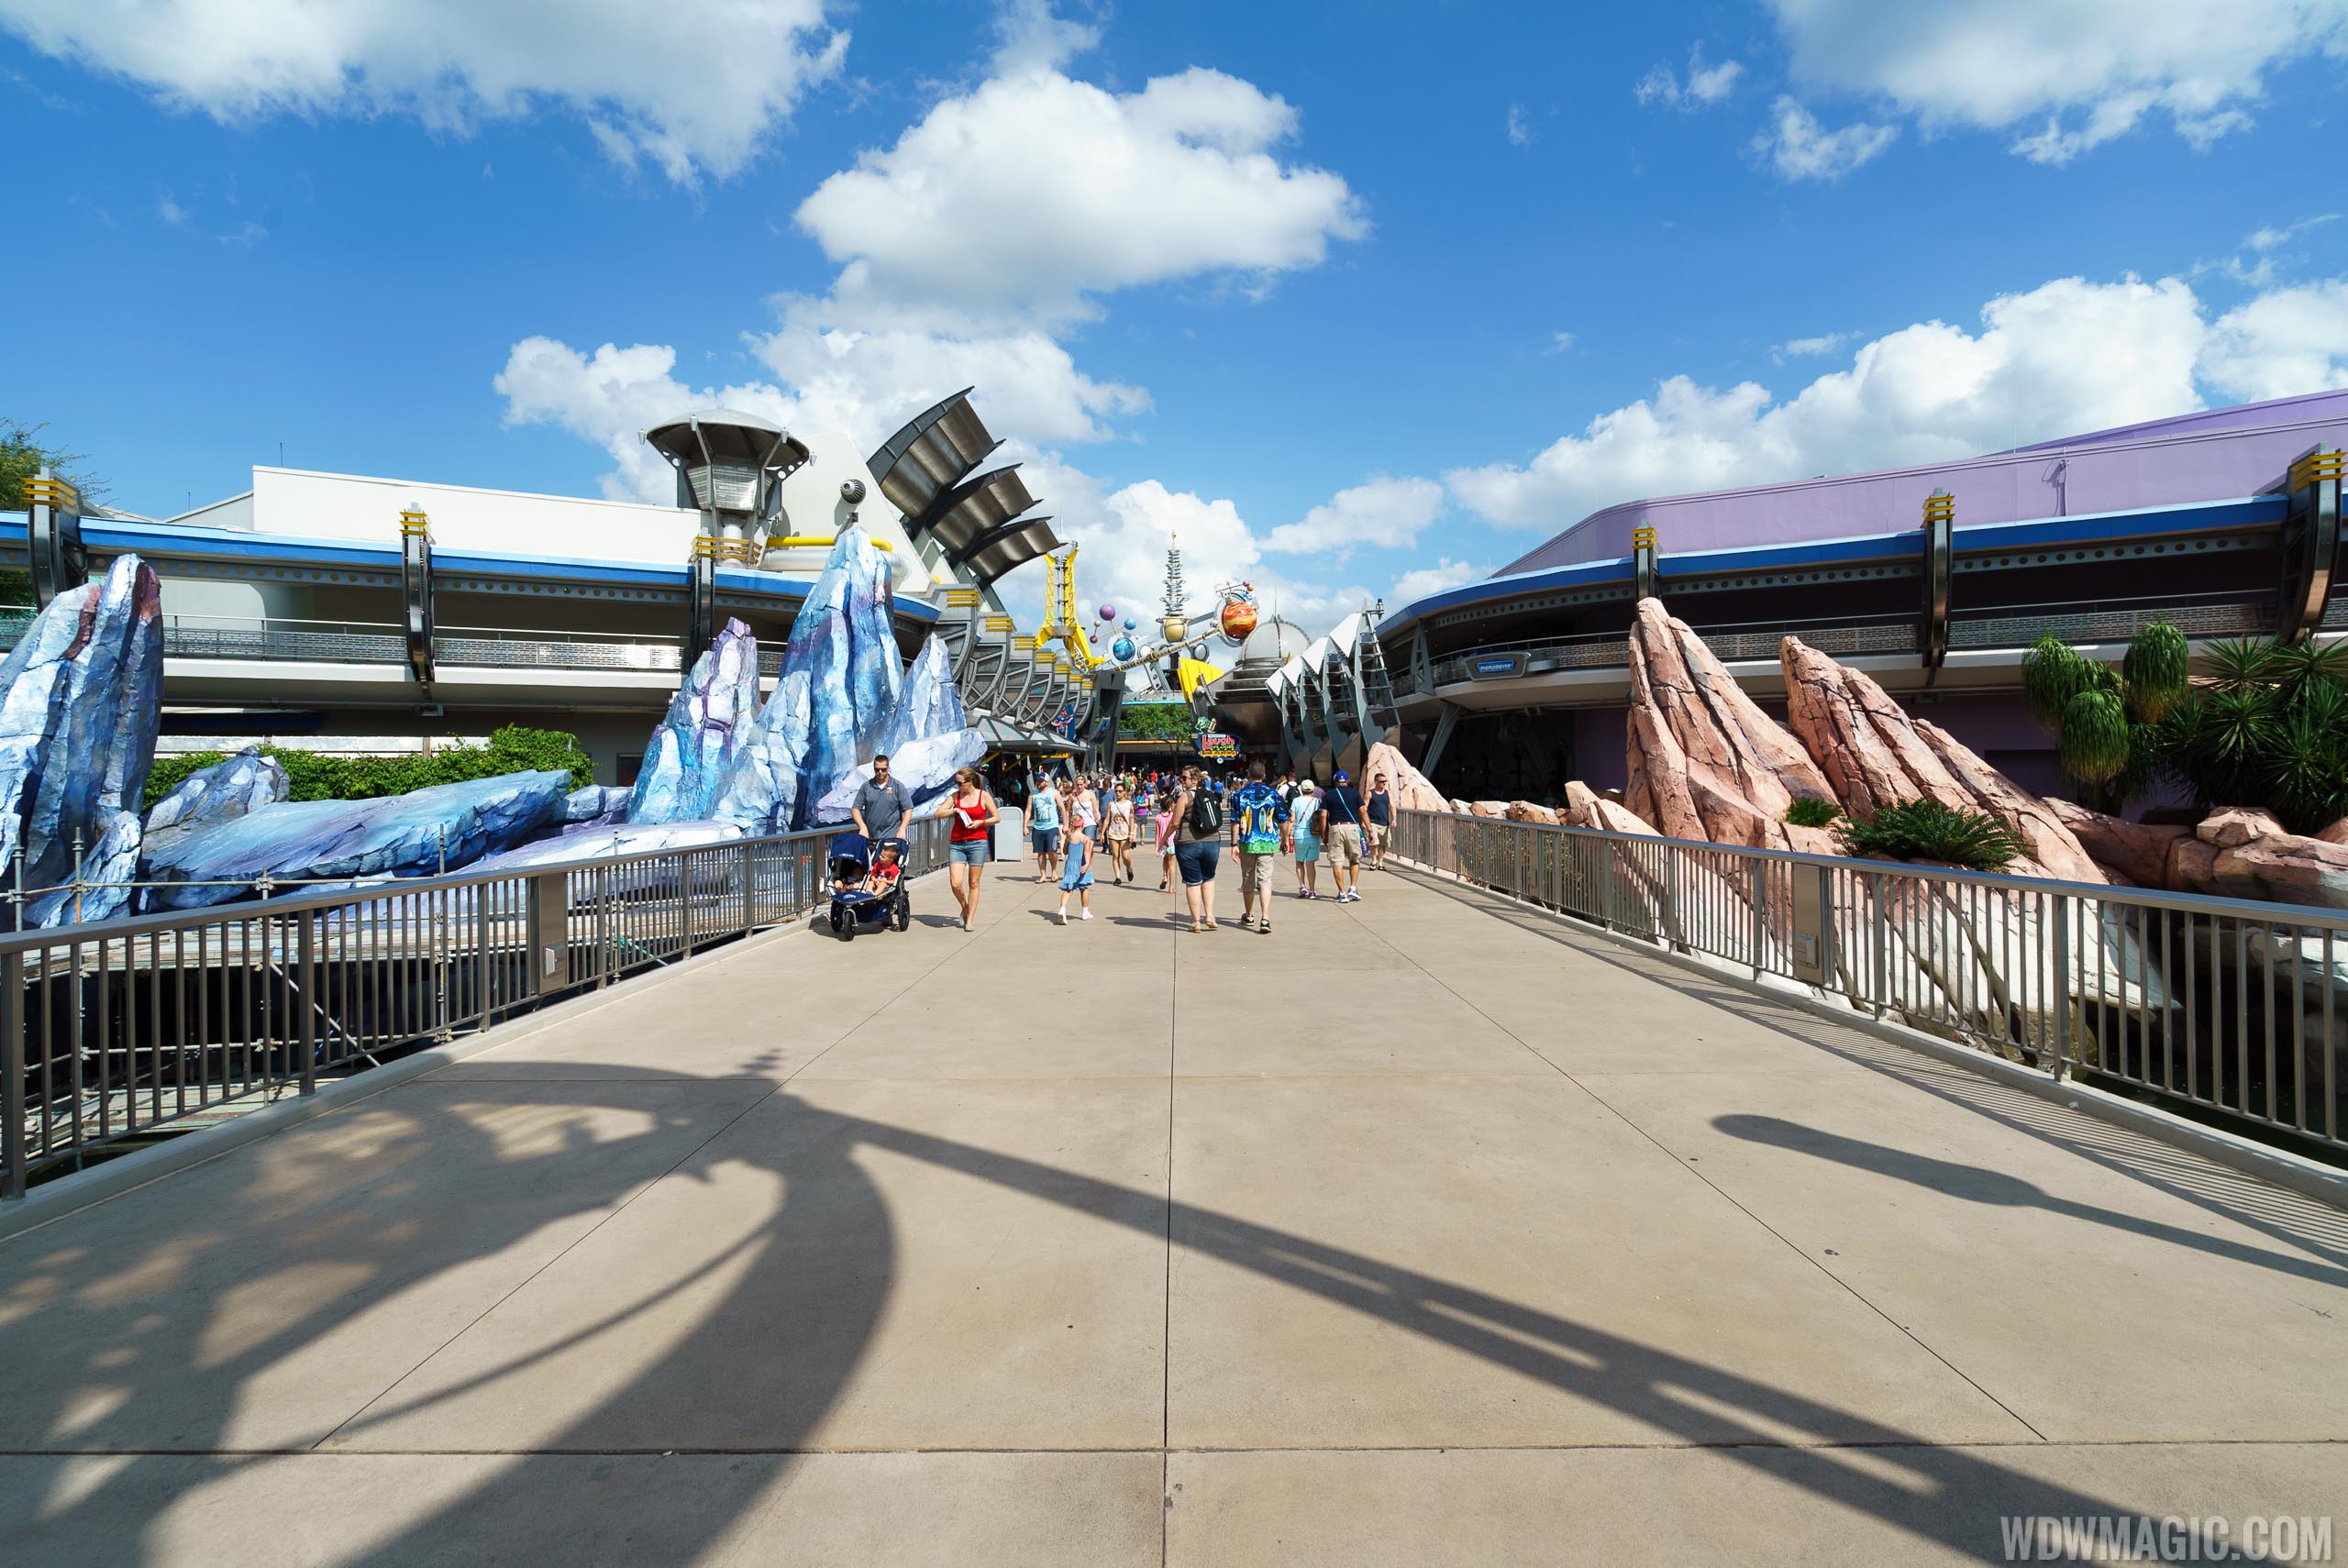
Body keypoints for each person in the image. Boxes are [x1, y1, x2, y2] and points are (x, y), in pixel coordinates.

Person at [1230, 760, 1290, 935]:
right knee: (1265, 880)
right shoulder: (1273, 794)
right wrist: (1284, 840)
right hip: (1267, 842)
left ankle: (1249, 915)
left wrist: (1234, 844)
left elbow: (1234, 822)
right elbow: (1284, 819)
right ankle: (1265, 918)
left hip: (1247, 842)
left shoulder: (1238, 795)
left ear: (1248, 775)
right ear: (1264, 775)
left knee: (1248, 879)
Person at [945, 767, 999, 931]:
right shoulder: (955, 797)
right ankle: (965, 906)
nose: (957, 786)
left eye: (960, 783)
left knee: (974, 883)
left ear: (970, 782)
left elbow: (997, 817)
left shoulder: (984, 796)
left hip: (978, 842)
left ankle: (970, 919)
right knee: (955, 882)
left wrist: (981, 822)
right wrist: (953, 809)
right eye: (956, 782)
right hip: (957, 843)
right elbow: (938, 813)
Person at [1170, 765, 1223, 932]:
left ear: (1194, 779)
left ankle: (1196, 922)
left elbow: (1175, 823)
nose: (1181, 780)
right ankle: (1209, 915)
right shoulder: (1211, 794)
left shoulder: (1184, 797)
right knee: (1208, 879)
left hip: (1188, 843)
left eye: (1184, 778)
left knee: (1193, 883)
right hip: (1212, 842)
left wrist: (1164, 840)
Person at [1322, 768, 1367, 903]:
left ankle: (1342, 893)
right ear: (1347, 781)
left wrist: (1324, 834)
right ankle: (1353, 888)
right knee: (1354, 858)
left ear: (1335, 782)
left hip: (1336, 827)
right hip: (1352, 827)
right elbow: (1363, 811)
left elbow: (1324, 815)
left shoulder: (1328, 795)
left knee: (1337, 861)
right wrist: (1369, 830)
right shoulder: (1355, 794)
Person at [849, 754, 911, 845]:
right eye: (877, 770)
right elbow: (855, 809)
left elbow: (908, 809)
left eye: (883, 769)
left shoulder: (898, 786)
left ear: (888, 768)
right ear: (874, 769)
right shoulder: (866, 787)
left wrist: (902, 829)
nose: (880, 772)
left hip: (892, 838)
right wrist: (862, 827)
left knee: (888, 860)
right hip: (871, 838)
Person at [1056, 804, 1095, 924]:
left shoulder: (1069, 837)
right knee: (1084, 888)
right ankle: (1085, 912)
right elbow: (1087, 853)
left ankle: (1062, 910)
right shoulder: (1085, 838)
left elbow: (1065, 851)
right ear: (1082, 825)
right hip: (1082, 865)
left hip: (1070, 865)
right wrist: (1087, 864)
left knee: (1068, 889)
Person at [1290, 778, 1323, 899]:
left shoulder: (1296, 801)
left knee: (1299, 862)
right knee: (1311, 864)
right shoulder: (1317, 801)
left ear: (1301, 789)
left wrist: (1288, 833)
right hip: (1314, 834)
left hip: (1299, 834)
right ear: (1313, 790)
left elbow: (1292, 818)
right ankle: (1312, 890)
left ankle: (1302, 885)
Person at [1028, 776, 1062, 883]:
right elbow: (1028, 810)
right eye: (1037, 780)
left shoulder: (1054, 792)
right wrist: (1025, 826)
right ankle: (1043, 875)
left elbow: (1062, 808)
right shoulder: (1033, 794)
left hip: (1052, 826)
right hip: (1038, 827)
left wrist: (1065, 825)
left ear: (1046, 782)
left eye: (1040, 781)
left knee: (1052, 850)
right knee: (1040, 852)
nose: (1038, 783)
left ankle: (1054, 871)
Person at [1104, 781, 1136, 883]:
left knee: (1125, 856)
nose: (1118, 793)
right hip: (1113, 833)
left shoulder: (1129, 804)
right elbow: (1107, 819)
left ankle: (1129, 868)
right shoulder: (1111, 804)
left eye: (1120, 791)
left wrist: (1131, 833)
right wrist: (1102, 833)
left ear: (1124, 792)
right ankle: (1118, 877)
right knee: (1115, 855)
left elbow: (1131, 819)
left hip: (1125, 833)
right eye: (1116, 791)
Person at [1366, 770, 1394, 871]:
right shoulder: (1370, 793)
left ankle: (1381, 862)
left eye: (1385, 781)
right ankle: (1374, 860)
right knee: (1373, 842)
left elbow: (1392, 806)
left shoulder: (1388, 794)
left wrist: (1394, 819)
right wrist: (1365, 822)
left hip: (1385, 823)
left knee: (1383, 844)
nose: (1384, 783)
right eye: (1382, 781)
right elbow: (1365, 807)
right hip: (1373, 822)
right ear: (1376, 782)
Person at [1153, 786, 1179, 892]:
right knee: (1172, 864)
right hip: (1172, 843)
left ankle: (1164, 876)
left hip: (1162, 844)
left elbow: (1157, 833)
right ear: (1170, 805)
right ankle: (1171, 887)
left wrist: (1157, 846)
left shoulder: (1158, 817)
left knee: (1165, 860)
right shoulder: (1173, 816)